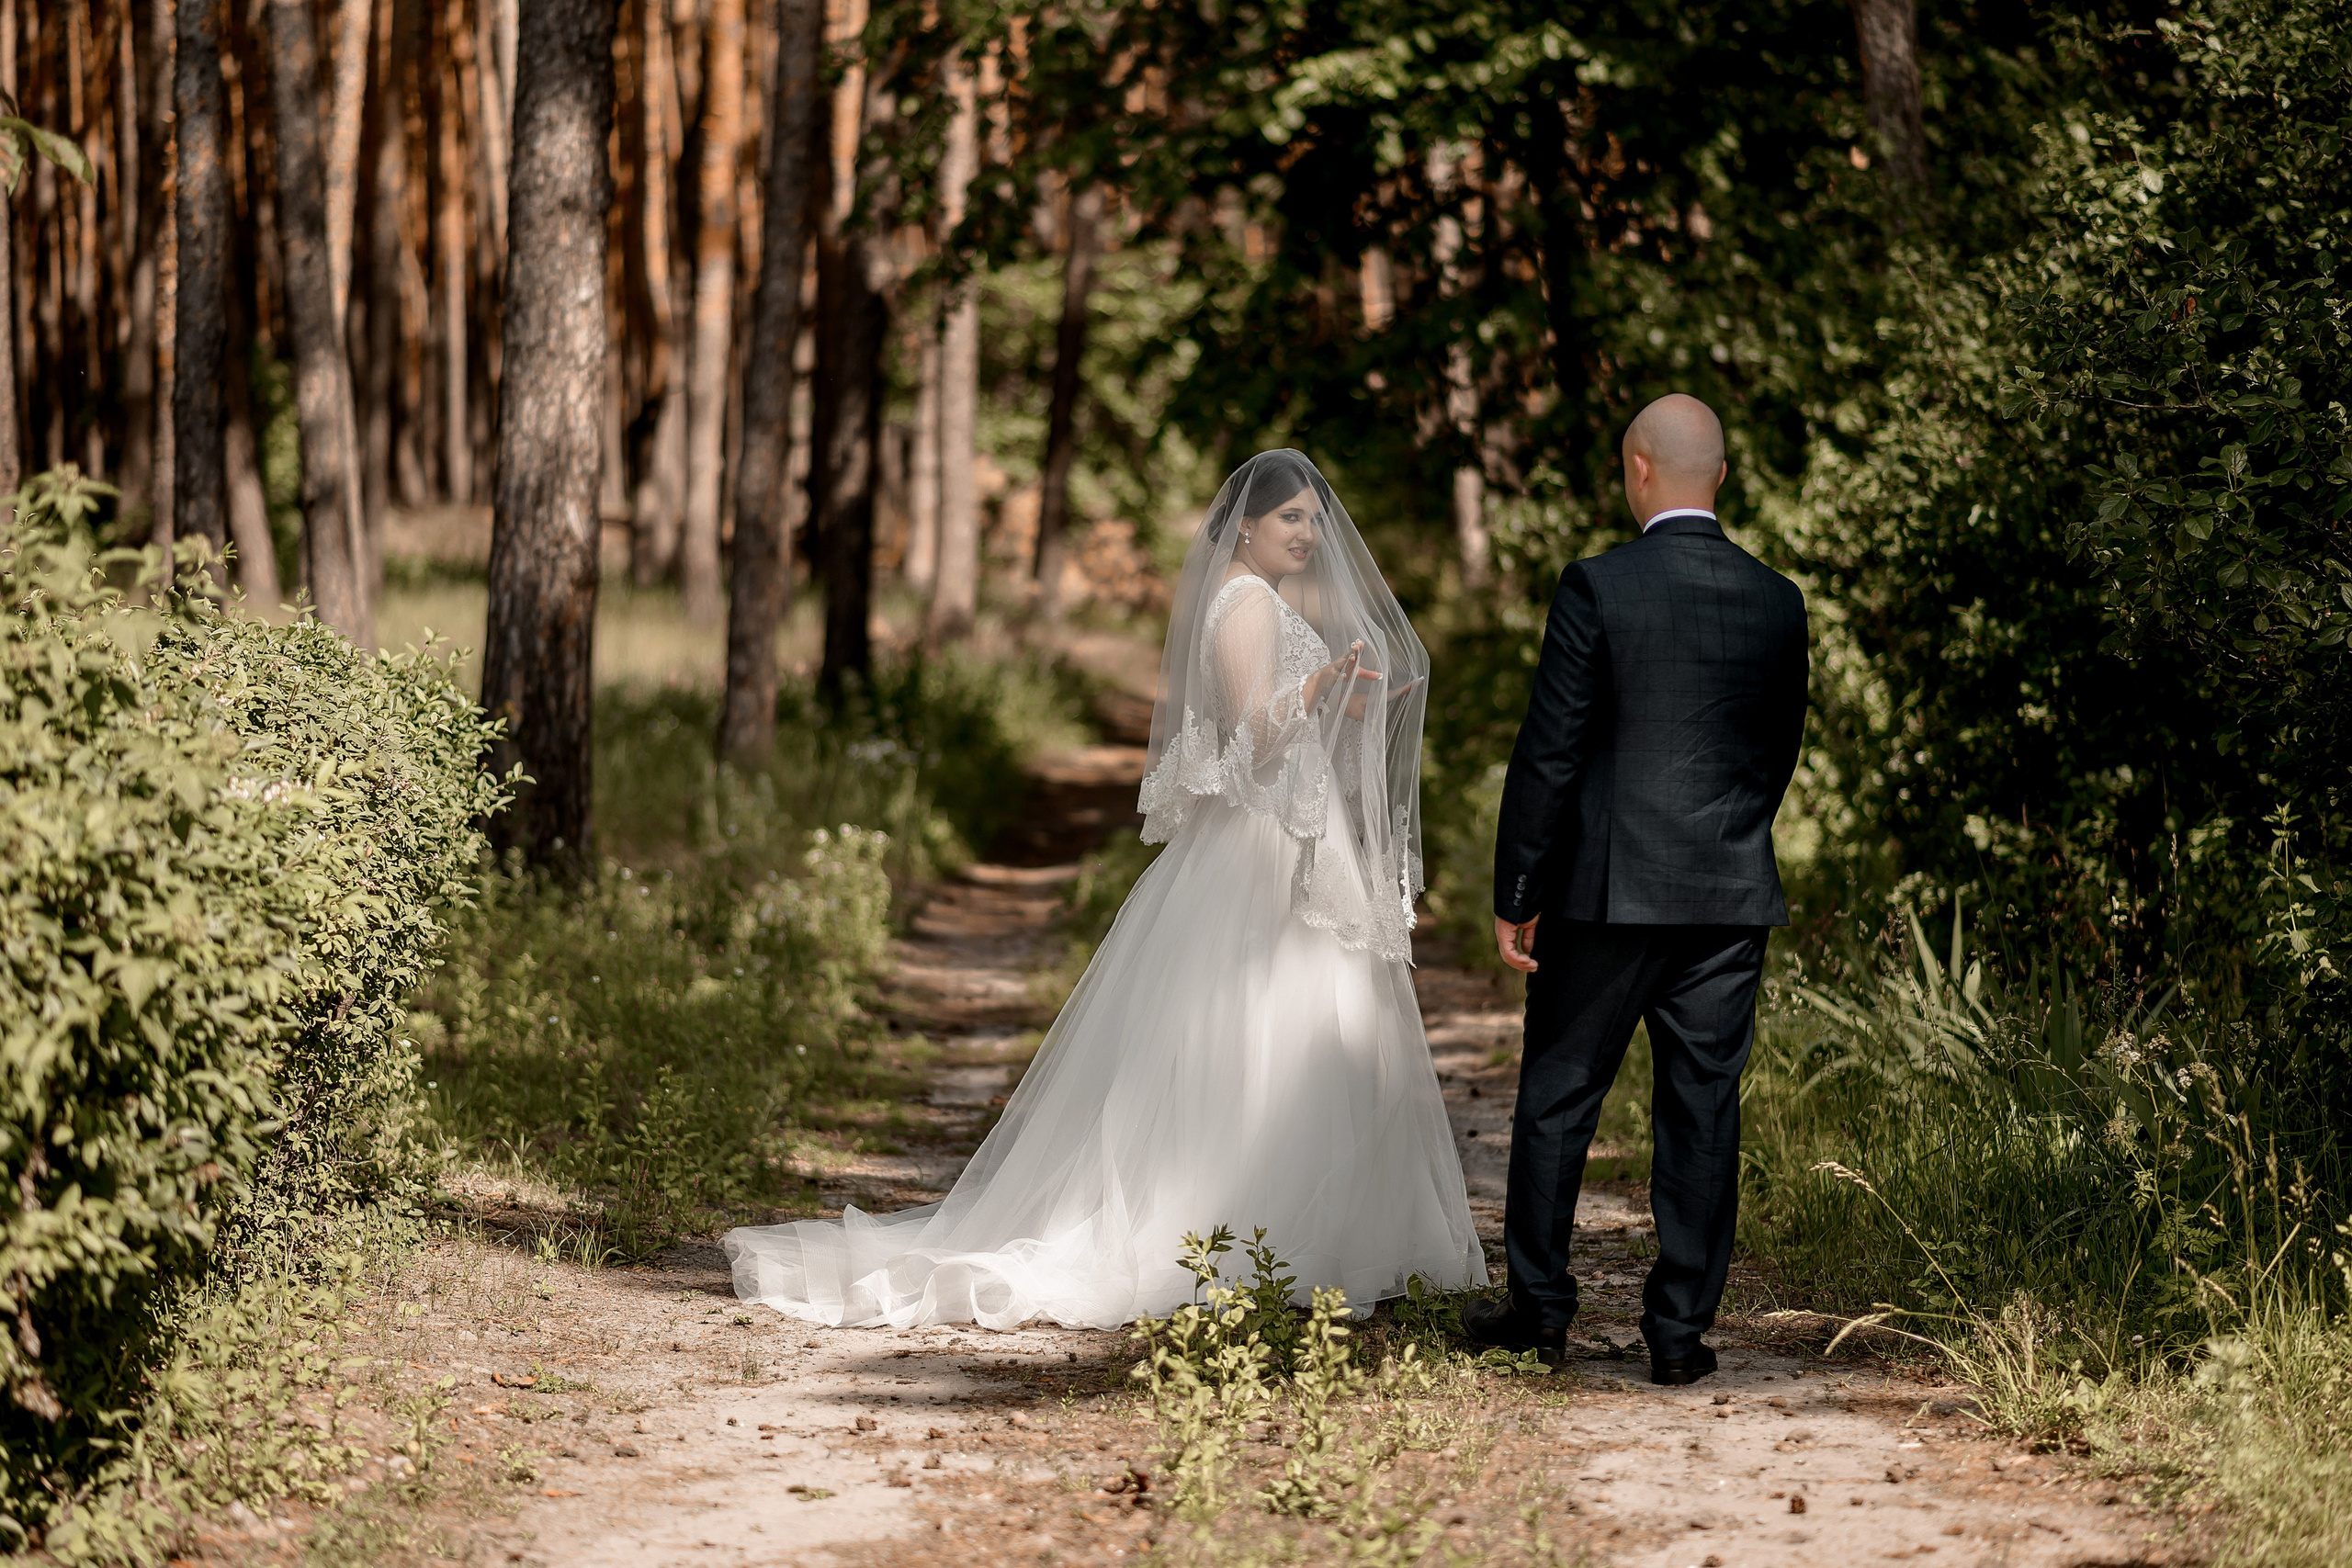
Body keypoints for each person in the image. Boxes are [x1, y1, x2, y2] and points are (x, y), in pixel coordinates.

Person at [723, 451, 1486, 1329]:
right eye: (1293, 519)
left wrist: (1357, 697)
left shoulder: (1265, 604)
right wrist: (1314, 687)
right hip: (1258, 854)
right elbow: (1253, 741)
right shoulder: (1242, 603)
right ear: (1246, 525)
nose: (1310, 533)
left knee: (1320, 1030)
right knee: (1250, 1036)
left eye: (1316, 518)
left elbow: (1299, 720)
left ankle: (1333, 1228)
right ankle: (1251, 1228)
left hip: (1296, 847)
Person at [1469, 394, 1809, 1386]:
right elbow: (1774, 749)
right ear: (1723, 477)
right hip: (1725, 894)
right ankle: (1678, 1337)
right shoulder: (1775, 598)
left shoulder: (1597, 586)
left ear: (1638, 469)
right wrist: (1733, 839)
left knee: (1559, 1101)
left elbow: (1551, 750)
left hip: (1603, 897)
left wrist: (1519, 883)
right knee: (1701, 1110)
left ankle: (1538, 1317)